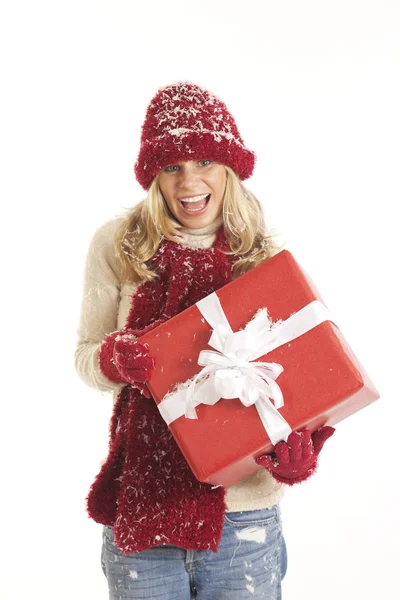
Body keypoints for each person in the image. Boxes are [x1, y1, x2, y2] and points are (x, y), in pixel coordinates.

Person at [75, 81, 335, 600]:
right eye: (171, 167)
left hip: (244, 520)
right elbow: (86, 358)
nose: (188, 182)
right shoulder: (118, 245)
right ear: (154, 177)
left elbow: (305, 382)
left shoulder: (263, 259)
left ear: (230, 169)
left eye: (204, 163)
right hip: (144, 514)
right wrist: (114, 359)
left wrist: (303, 452)